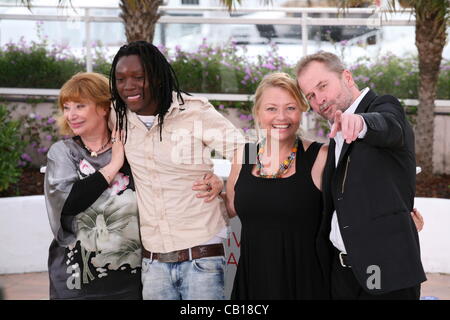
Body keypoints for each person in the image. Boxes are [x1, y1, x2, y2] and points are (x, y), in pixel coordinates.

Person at [109, 41, 244, 300]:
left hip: (204, 258)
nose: (128, 86)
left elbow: (244, 150)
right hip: (153, 263)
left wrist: (227, 187)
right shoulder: (117, 115)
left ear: (157, 77)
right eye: (120, 79)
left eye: (139, 77)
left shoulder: (194, 111)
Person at [296, 51, 427, 300]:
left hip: (384, 273)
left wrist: (361, 122)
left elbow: (390, 126)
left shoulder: (384, 107)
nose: (319, 99)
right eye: (310, 95)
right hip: (343, 274)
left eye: (323, 85)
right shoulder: (335, 137)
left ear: (347, 77)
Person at [224, 72, 330, 299]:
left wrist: (396, 219)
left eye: (290, 108)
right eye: (271, 108)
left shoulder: (319, 155)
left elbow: (350, 207)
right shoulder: (245, 154)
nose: (281, 117)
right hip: (252, 283)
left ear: (302, 110)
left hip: (305, 285)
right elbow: (230, 207)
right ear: (258, 113)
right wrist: (214, 188)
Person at [44, 72, 142, 299]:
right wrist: (114, 165)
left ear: (103, 107)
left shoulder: (134, 149)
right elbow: (68, 202)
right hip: (76, 279)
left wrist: (212, 182)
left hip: (129, 277)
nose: (71, 115)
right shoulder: (63, 152)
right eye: (66, 107)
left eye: (80, 106)